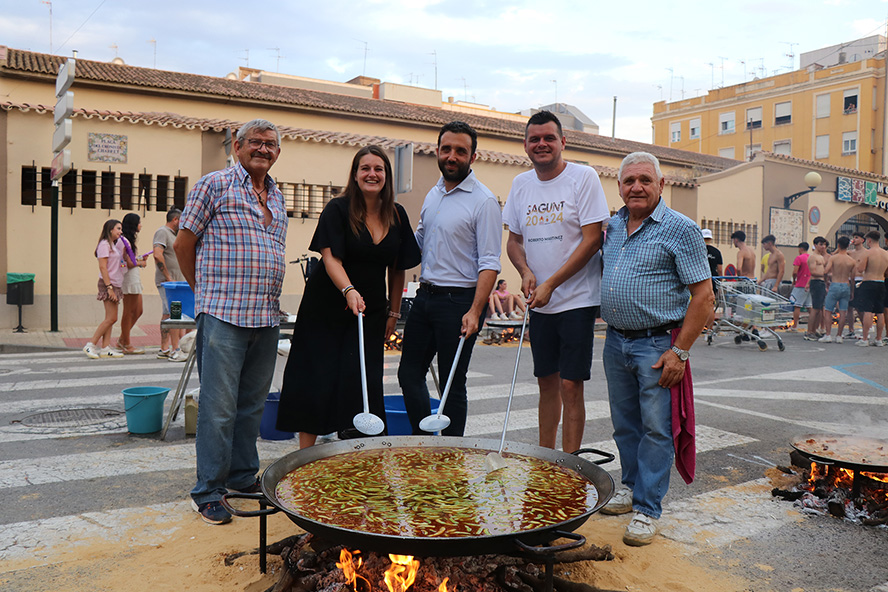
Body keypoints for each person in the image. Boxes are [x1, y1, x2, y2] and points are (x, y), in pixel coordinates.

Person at [174, 118, 288, 525]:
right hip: (223, 312)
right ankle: (208, 491)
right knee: (218, 408)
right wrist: (203, 293)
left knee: (251, 406)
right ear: (237, 146)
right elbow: (183, 243)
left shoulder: (278, 196)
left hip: (265, 315)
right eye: (255, 141)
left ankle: (242, 477)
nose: (263, 149)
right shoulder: (215, 184)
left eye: (270, 144)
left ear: (278, 152)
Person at [599, 152, 713, 547]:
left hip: (657, 344)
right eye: (629, 181)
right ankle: (631, 487)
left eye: (645, 180)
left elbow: (704, 297)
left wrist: (679, 352)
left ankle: (647, 509)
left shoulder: (681, 229)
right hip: (615, 340)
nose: (637, 187)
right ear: (619, 187)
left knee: (656, 429)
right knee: (625, 425)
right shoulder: (614, 225)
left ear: (661, 185)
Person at [276, 146, 420, 448]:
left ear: (387, 176)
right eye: (365, 168)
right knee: (316, 377)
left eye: (378, 169)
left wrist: (393, 313)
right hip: (326, 307)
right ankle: (305, 456)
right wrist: (349, 290)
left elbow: (398, 269)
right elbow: (330, 258)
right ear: (355, 175)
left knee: (362, 380)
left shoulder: (397, 214)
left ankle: (357, 453)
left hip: (370, 311)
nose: (372, 174)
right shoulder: (337, 209)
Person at [502, 110, 608, 453]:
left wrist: (553, 284)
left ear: (563, 142)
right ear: (525, 145)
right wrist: (525, 272)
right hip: (540, 302)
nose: (542, 144)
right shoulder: (521, 184)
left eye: (549, 138)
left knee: (570, 385)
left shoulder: (584, 177)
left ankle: (570, 463)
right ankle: (545, 458)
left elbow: (592, 240)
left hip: (577, 300)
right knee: (545, 382)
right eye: (535, 139)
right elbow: (514, 242)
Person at [397, 121, 502, 437]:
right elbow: (420, 241)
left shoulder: (484, 201)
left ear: (473, 156)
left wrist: (475, 310)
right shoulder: (434, 193)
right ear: (438, 151)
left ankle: (453, 454)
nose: (452, 156)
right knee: (408, 375)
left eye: (460, 150)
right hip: (425, 297)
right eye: (446, 149)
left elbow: (490, 263)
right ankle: (423, 444)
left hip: (460, 303)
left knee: (452, 383)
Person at [83, 219, 126, 359]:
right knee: (111, 318)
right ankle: (91, 344)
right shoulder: (104, 245)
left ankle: (106, 347)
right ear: (110, 229)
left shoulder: (113, 245)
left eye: (121, 229)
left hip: (115, 283)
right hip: (109, 284)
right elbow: (103, 267)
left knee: (111, 318)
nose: (120, 232)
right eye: (118, 228)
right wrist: (109, 288)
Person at [153, 208, 186, 361]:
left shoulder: (174, 235)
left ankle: (164, 348)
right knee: (175, 314)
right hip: (168, 283)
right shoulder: (163, 232)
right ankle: (175, 349)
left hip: (176, 282)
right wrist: (168, 277)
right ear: (175, 220)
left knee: (168, 314)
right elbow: (157, 255)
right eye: (182, 220)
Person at [116, 213, 149, 355]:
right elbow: (128, 263)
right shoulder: (125, 241)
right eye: (139, 222)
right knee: (128, 312)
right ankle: (126, 344)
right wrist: (141, 263)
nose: (141, 225)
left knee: (138, 310)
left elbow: (130, 260)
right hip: (129, 278)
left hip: (134, 277)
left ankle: (122, 339)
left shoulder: (128, 241)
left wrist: (139, 259)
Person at [854, 230, 888, 347]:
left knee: (868, 310)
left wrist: (859, 262)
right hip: (881, 282)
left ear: (869, 240)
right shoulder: (886, 254)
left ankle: (865, 338)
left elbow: (860, 269)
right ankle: (879, 339)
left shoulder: (868, 253)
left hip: (869, 282)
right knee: (880, 311)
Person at [819, 236, 855, 343]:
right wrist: (852, 291)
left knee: (828, 310)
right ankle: (839, 335)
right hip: (846, 285)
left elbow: (825, 271)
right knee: (843, 311)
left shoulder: (833, 258)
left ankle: (828, 334)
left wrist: (826, 281)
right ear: (848, 246)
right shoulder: (851, 261)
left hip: (835, 284)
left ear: (838, 245)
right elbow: (853, 278)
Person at [805, 237, 828, 341]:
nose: (823, 247)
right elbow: (813, 272)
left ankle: (814, 330)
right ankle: (809, 332)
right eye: (820, 244)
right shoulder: (813, 257)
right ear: (815, 245)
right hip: (816, 282)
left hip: (821, 283)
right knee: (815, 308)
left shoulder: (821, 257)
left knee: (819, 309)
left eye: (824, 245)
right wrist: (825, 274)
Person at [702, 229, 722, 331]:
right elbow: (720, 270)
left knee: (699, 304)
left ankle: (701, 327)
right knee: (710, 305)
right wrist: (720, 283)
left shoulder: (698, 251)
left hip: (700, 280)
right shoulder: (716, 252)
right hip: (713, 280)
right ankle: (709, 328)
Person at [790, 242, 812, 332]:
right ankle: (814, 324)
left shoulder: (799, 258)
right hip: (810, 284)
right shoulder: (811, 258)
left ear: (801, 249)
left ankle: (795, 326)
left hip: (800, 284)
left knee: (797, 305)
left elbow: (795, 271)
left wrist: (794, 279)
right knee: (809, 306)